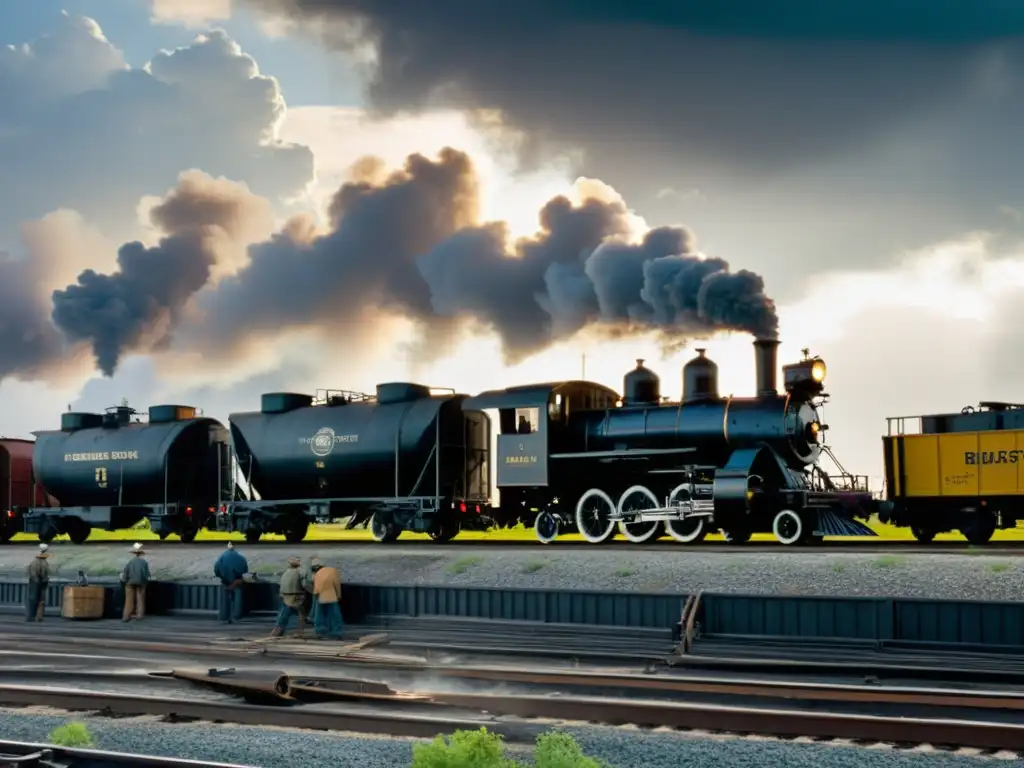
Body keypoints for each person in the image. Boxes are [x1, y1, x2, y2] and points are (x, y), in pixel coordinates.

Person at [268, 556, 309, 638]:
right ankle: (300, 631)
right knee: (302, 614)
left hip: (284, 596)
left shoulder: (285, 572)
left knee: (284, 613)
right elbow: (305, 585)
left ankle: (278, 630)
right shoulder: (301, 572)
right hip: (296, 596)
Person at [213, 541, 248, 624]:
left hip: (225, 581)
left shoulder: (221, 557)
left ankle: (223, 617)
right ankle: (236, 616)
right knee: (237, 597)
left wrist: (222, 577)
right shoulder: (241, 558)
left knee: (224, 597)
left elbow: (216, 569)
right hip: (237, 581)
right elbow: (245, 571)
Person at [311, 557, 343, 640]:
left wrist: (315, 595)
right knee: (335, 615)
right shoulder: (333, 571)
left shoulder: (317, 573)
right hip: (331, 596)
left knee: (319, 615)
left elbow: (316, 588)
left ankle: (320, 632)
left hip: (320, 596)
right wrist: (339, 595)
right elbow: (336, 584)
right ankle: (336, 632)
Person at [121, 542, 150, 622]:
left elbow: (125, 572)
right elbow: (147, 574)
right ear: (141, 553)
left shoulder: (130, 562)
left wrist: (125, 580)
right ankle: (139, 615)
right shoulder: (144, 562)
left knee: (129, 599)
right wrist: (144, 581)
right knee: (140, 598)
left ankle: (126, 616)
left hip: (130, 582)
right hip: (141, 582)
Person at [25, 543, 50, 622]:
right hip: (36, 582)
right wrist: (39, 581)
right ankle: (31, 616)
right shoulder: (37, 563)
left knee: (38, 599)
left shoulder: (40, 562)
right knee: (33, 599)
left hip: (39, 582)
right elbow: (34, 574)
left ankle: (35, 616)